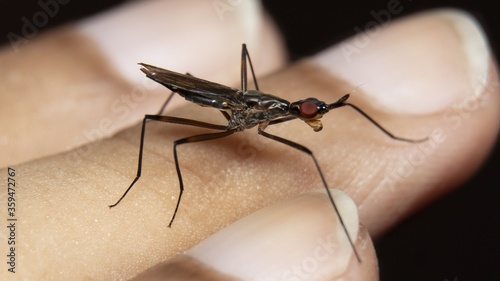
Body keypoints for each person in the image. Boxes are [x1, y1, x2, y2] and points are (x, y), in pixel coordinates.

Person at [1, 1, 498, 280]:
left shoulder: (290, 112)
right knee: (164, 132)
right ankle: (139, 181)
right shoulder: (269, 113)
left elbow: (310, 110)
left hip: (244, 105)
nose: (312, 114)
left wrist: (332, 112)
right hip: (218, 100)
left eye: (312, 111)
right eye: (311, 110)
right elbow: (252, 108)